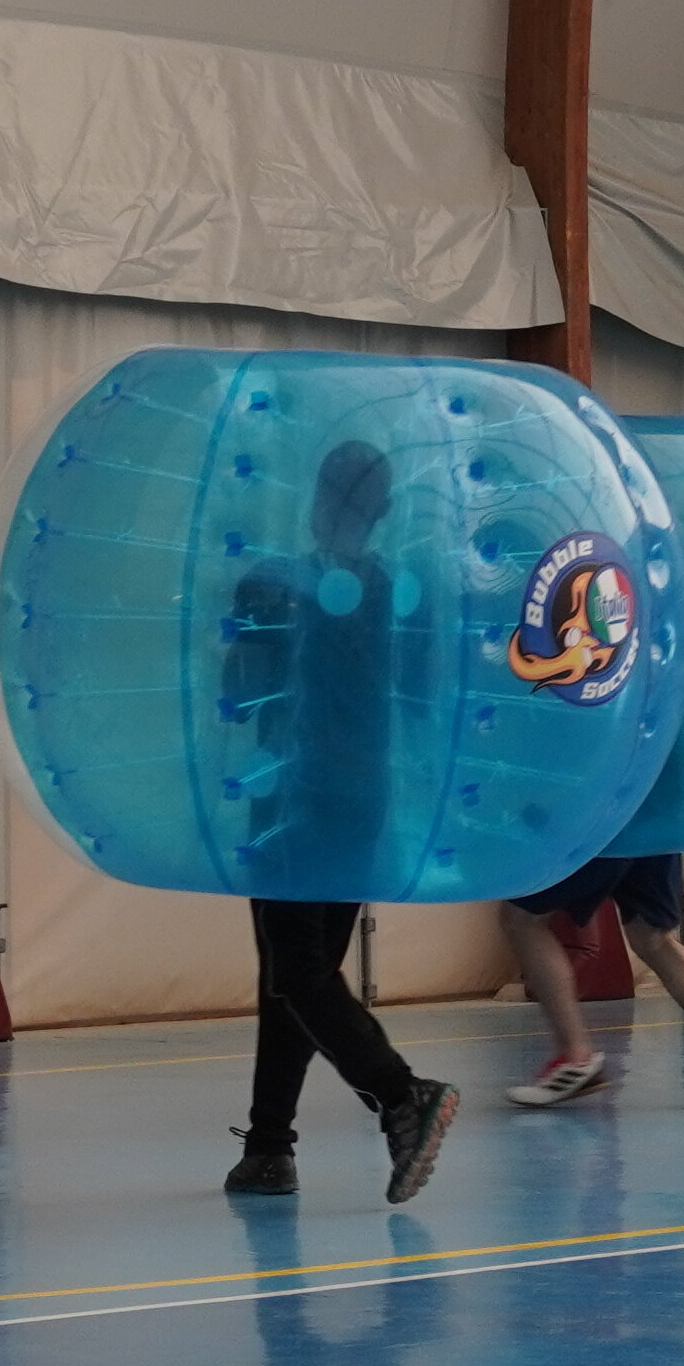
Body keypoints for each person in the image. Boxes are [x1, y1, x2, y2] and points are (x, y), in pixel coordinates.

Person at [218, 442, 455, 1204]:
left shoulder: (274, 583)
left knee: (294, 971)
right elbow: (416, 692)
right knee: (301, 973)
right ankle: (267, 1146)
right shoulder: (395, 591)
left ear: (318, 499)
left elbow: (240, 684)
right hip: (363, 796)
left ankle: (401, 1095)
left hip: (289, 796)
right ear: (380, 511)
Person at [503, 849, 684, 1110]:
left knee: (521, 920)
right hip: (652, 821)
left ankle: (575, 1058)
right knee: (651, 937)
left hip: (602, 822)